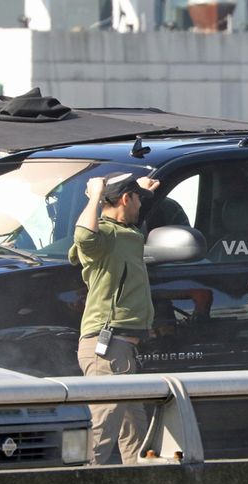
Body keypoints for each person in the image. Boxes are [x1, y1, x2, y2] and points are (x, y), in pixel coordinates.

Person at [68, 172, 160, 464]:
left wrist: (142, 192)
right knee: (100, 434)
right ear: (124, 199)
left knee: (137, 438)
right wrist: (96, 194)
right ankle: (77, 483)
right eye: (136, 200)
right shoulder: (103, 238)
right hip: (107, 349)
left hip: (122, 351)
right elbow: (84, 235)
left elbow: (129, 218)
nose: (140, 206)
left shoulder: (124, 233)